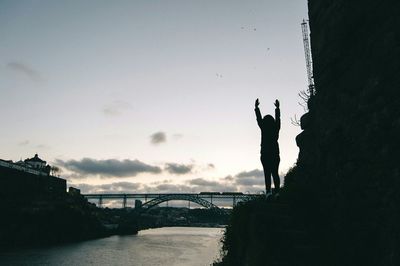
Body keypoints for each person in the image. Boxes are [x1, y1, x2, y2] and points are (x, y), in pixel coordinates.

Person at [254, 98, 281, 199]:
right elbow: (278, 119)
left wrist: (256, 108)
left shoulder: (263, 128)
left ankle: (268, 192)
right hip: (275, 153)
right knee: (275, 173)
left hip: (265, 154)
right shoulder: (276, 128)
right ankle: (277, 192)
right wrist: (277, 108)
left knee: (267, 173)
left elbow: (259, 119)